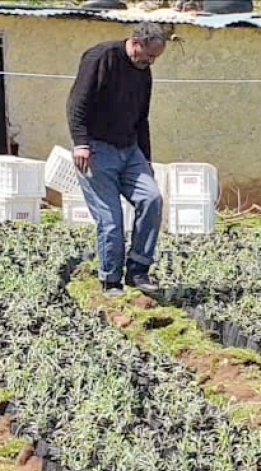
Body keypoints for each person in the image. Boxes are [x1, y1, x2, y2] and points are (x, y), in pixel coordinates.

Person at [68, 22, 167, 297]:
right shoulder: (102, 57)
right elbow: (77, 102)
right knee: (110, 219)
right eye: (149, 55)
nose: (151, 61)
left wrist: (146, 160)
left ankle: (138, 269)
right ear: (136, 43)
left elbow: (142, 118)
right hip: (96, 150)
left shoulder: (144, 72)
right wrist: (81, 144)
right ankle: (110, 280)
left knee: (151, 199)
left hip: (129, 148)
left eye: (155, 58)